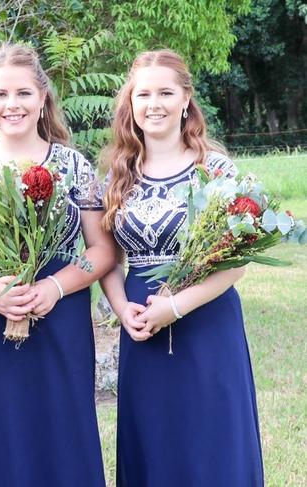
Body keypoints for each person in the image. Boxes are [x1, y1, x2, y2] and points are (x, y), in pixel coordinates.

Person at [0, 43, 113, 487]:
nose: (11, 105)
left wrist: (54, 287)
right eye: (0, 95)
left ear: (42, 98)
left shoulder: (73, 165)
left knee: (62, 427)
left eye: (23, 93)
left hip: (61, 316)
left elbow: (103, 250)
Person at [99, 50, 264, 486]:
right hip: (141, 327)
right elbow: (109, 260)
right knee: (154, 443)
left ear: (186, 100)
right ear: (130, 103)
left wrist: (174, 308)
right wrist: (122, 309)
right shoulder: (117, 175)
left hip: (207, 324)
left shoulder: (215, 170)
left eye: (166, 92)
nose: (154, 104)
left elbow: (236, 263)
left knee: (212, 444)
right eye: (144, 93)